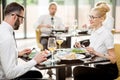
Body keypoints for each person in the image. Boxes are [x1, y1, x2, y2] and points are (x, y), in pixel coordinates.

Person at [0, 2, 47, 80]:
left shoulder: (2, 29)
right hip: (7, 78)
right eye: (22, 18)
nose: (22, 22)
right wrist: (35, 61)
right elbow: (10, 74)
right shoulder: (7, 37)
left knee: (37, 74)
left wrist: (17, 54)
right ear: (14, 16)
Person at [73, 6, 118, 80]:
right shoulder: (94, 32)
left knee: (78, 71)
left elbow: (113, 59)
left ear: (101, 19)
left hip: (108, 70)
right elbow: (91, 51)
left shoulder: (107, 34)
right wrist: (81, 47)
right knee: (78, 70)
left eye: (93, 17)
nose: (90, 19)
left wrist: (96, 53)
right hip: (97, 67)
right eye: (90, 16)